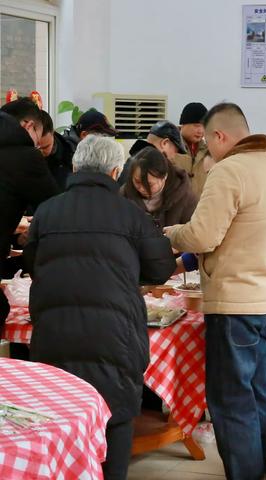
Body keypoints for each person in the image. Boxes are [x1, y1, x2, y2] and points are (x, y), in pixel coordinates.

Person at [23, 135, 177, 480]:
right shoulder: (131, 215)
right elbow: (160, 269)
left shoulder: (47, 212)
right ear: (115, 171)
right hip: (116, 337)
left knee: (61, 421)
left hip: (54, 335)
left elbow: (33, 263)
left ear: (75, 167)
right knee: (116, 416)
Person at [164, 103, 266, 480]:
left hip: (235, 301)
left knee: (230, 398)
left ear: (220, 136)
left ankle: (244, 475)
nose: (207, 150)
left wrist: (171, 234)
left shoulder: (230, 171)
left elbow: (202, 235)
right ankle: (253, 470)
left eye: (207, 142)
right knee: (258, 394)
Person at [0, 97, 59, 300]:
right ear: (29, 126)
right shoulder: (23, 157)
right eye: (37, 140)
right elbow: (57, 209)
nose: (37, 149)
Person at [121, 146, 197, 230]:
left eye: (149, 185)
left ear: (164, 177)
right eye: (137, 182)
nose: (142, 188)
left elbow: (192, 233)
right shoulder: (123, 195)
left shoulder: (185, 198)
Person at [118, 120, 187, 185]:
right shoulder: (150, 167)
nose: (173, 156)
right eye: (175, 151)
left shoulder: (134, 160)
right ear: (165, 143)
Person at [173, 102, 209, 198]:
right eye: (196, 125)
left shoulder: (208, 151)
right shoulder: (170, 147)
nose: (200, 131)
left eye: (204, 126)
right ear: (184, 124)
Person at [37, 110, 74, 191]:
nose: (40, 152)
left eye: (45, 147)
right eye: (36, 147)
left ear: (53, 132)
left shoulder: (69, 153)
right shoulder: (24, 157)